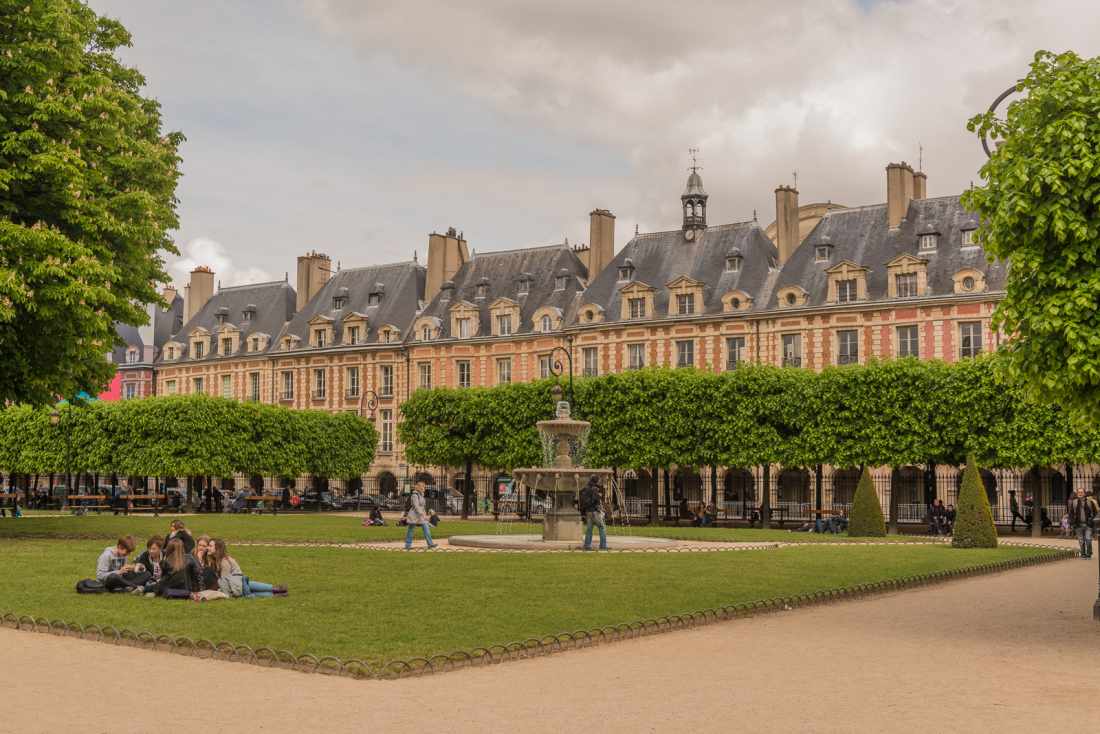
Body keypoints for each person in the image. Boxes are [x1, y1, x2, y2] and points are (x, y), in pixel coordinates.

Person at [209, 538, 287, 597]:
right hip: (240, 583)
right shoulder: (219, 560)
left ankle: (277, 590)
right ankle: (277, 590)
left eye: (210, 546)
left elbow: (224, 582)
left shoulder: (224, 562)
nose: (208, 548)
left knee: (250, 589)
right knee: (252, 591)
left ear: (217, 548)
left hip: (239, 585)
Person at [402, 481, 437, 550]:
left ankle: (430, 544)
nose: (424, 488)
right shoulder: (415, 495)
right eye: (423, 486)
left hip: (421, 516)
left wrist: (425, 514)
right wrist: (423, 515)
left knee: (426, 528)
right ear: (419, 487)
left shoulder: (421, 495)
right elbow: (416, 506)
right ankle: (407, 545)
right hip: (414, 515)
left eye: (424, 486)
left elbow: (422, 507)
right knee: (411, 530)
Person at [1067, 488, 1098, 560]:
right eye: (1079, 492)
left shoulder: (1090, 502)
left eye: (1081, 492)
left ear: (1084, 493)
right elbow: (1071, 513)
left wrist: (1091, 520)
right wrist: (1072, 522)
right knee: (1081, 540)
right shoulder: (1074, 502)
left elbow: (1095, 512)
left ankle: (1089, 554)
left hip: (1088, 524)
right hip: (1078, 525)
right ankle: (1083, 554)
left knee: (1088, 539)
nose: (1080, 493)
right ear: (1077, 494)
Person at [579, 475, 608, 551]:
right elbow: (596, 500)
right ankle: (603, 545)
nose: (599, 482)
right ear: (596, 481)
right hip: (595, 511)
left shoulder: (585, 488)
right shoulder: (594, 489)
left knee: (589, 529)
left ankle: (587, 545)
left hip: (588, 511)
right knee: (602, 527)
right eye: (598, 480)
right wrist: (599, 496)